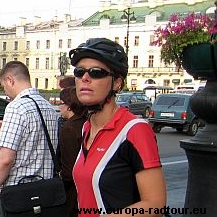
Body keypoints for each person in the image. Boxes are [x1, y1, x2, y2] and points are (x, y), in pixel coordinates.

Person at [69, 38, 166, 216]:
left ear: (117, 83)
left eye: (96, 72)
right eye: (79, 71)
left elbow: (155, 204)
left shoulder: (134, 130)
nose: (85, 78)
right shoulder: (87, 128)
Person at [0, 61, 60, 217]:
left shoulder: (16, 107)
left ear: (10, 80)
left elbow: (6, 159)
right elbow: (36, 143)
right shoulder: (48, 107)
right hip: (46, 192)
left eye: (3, 86)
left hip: (19, 194)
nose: (6, 91)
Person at [55, 76, 87, 217]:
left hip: (73, 192)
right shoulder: (85, 122)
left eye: (60, 103)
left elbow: (68, 168)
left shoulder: (69, 128)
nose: (58, 107)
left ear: (68, 106)